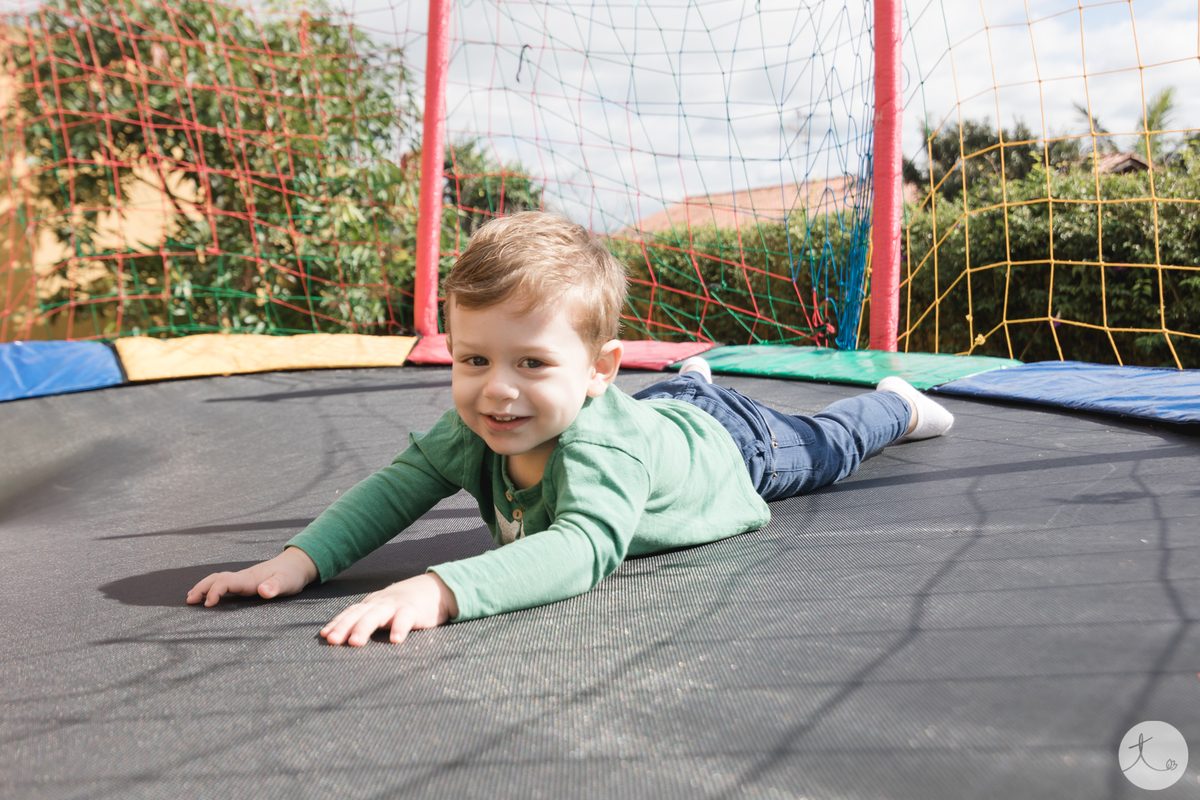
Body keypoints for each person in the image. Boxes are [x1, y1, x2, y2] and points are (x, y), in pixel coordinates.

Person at [187, 212, 953, 646]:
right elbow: (397, 487)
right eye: (475, 358)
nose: (497, 389)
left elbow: (584, 548)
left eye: (529, 363)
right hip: (649, 418)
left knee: (827, 447)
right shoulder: (488, 421)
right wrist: (298, 561)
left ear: (597, 367)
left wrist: (440, 588)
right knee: (662, 406)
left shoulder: (601, 447)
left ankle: (894, 405)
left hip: (733, 449)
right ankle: (690, 380)